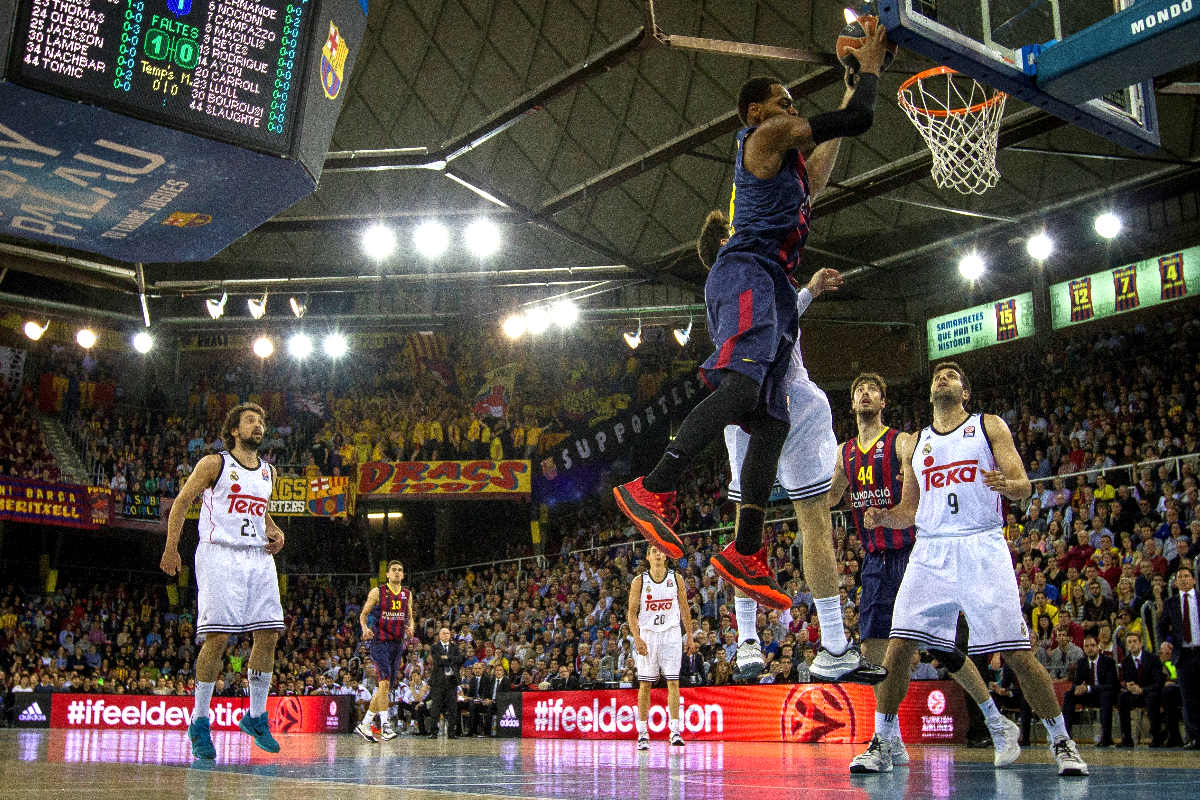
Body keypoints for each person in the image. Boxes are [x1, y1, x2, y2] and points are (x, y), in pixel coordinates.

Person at [613, 24, 890, 613]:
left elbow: (823, 162)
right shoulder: (762, 136)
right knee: (741, 387)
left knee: (770, 419)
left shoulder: (790, 170)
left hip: (772, 285)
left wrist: (849, 83)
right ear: (758, 109)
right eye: (786, 101)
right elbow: (860, 120)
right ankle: (653, 486)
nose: (794, 109)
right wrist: (868, 69)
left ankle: (745, 549)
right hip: (747, 273)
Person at [847, 363, 1088, 777]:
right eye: (938, 376)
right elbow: (911, 509)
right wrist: (885, 517)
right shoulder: (917, 443)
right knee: (898, 646)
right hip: (931, 549)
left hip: (981, 544)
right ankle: (883, 740)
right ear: (929, 394)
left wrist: (1007, 487)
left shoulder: (987, 426)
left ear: (965, 393)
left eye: (952, 375)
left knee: (1016, 653)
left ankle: (1061, 740)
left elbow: (1023, 485)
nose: (943, 378)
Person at [697, 210, 883, 685]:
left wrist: (810, 292)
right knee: (794, 521)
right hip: (779, 397)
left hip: (755, 402)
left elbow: (776, 316)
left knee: (761, 525)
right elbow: (775, 316)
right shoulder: (745, 272)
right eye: (736, 230)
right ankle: (821, 644)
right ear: (725, 242)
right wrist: (809, 291)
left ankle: (758, 644)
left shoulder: (728, 283)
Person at [827, 371, 1020, 767]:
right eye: (857, 390)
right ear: (851, 404)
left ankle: (994, 719)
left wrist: (892, 512)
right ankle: (888, 739)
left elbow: (920, 496)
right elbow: (828, 498)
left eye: (872, 390)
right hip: (875, 561)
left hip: (918, 553)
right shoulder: (845, 453)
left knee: (944, 651)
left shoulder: (904, 442)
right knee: (875, 653)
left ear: (883, 402)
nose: (864, 394)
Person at [160, 402, 285, 761]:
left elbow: (261, 511)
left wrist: (274, 530)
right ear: (234, 429)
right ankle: (199, 720)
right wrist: (171, 548)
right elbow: (182, 503)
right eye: (250, 421)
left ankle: (256, 716)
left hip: (257, 556)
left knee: (270, 633)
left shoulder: (268, 472)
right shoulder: (214, 464)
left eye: (261, 421)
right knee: (218, 638)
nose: (258, 426)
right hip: (220, 553)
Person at [627, 544, 694, 749]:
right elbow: (631, 613)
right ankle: (643, 733)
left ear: (666, 556)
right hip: (648, 635)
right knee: (645, 684)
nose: (657, 554)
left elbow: (684, 608)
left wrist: (690, 636)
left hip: (671, 633)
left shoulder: (676, 578)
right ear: (647, 557)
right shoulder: (639, 581)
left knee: (673, 682)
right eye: (653, 551)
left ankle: (675, 731)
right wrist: (636, 638)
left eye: (660, 551)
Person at [355, 560, 415, 742]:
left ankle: (365, 725)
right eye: (394, 570)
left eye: (400, 570)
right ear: (387, 574)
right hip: (380, 642)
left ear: (403, 575)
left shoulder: (407, 594)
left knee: (385, 687)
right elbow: (363, 614)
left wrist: (411, 628)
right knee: (384, 685)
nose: (397, 573)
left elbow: (410, 617)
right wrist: (365, 629)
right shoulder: (378, 592)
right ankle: (385, 726)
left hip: (397, 644)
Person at [1156, 567, 1200, 748]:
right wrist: (1164, 642)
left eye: (1186, 576)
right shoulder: (1171, 603)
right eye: (1179, 577)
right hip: (1184, 655)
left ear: (1194, 580)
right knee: (1188, 698)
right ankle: (1195, 737)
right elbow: (1161, 626)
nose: (1183, 579)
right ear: (1175, 583)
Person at [1063, 634, 1119, 746]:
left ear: (1098, 647)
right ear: (1084, 649)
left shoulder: (1108, 662)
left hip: (1104, 695)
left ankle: (1106, 739)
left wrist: (1088, 688)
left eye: (1092, 645)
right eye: (1087, 646)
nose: (1090, 648)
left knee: (1105, 695)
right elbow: (1076, 683)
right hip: (1088, 696)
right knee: (1069, 695)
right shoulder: (1081, 662)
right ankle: (1066, 737)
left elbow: (1112, 685)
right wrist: (1077, 688)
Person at [1118, 631, 1164, 746]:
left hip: (1150, 692)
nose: (1132, 644)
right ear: (1127, 646)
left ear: (1141, 644)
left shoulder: (1152, 658)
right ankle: (1126, 737)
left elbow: (1158, 682)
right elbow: (1126, 680)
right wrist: (1129, 686)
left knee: (1151, 698)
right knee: (1122, 698)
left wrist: (1143, 690)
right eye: (1129, 642)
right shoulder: (1125, 661)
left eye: (1135, 641)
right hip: (1135, 693)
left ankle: (1156, 736)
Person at [427, 627, 464, 738]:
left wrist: (447, 658)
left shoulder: (455, 647)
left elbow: (460, 659)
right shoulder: (434, 647)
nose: (446, 635)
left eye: (448, 633)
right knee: (435, 708)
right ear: (439, 635)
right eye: (443, 633)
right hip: (438, 682)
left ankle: (451, 733)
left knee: (452, 708)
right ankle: (434, 732)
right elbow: (438, 661)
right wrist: (451, 659)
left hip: (451, 682)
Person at [466, 661, 497, 736]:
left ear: (483, 669)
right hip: (474, 702)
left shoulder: (487, 679)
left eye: (479, 668)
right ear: (473, 670)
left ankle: (476, 731)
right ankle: (465, 731)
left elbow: (487, 693)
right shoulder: (472, 680)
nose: (477, 670)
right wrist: (467, 697)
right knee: (467, 705)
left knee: (473, 706)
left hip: (484, 702)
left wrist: (479, 699)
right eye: (475, 668)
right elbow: (469, 694)